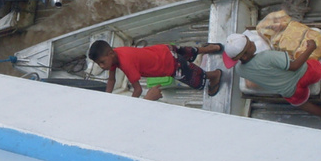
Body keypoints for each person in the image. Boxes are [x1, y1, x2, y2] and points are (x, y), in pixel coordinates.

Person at [222, 32, 321, 128]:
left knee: (303, 105)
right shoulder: (267, 56)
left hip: (291, 91)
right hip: (304, 72)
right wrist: (310, 48)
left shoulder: (240, 70)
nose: (252, 42)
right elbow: (294, 66)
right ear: (244, 55)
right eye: (249, 44)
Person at [88, 40, 223, 100]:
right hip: (164, 49)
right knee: (188, 51)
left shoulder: (126, 64)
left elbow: (138, 90)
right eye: (98, 64)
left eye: (102, 62)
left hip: (170, 64)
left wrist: (129, 104)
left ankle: (214, 75)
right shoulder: (115, 54)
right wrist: (106, 97)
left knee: (194, 78)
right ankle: (211, 48)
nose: (102, 66)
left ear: (110, 54)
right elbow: (111, 79)